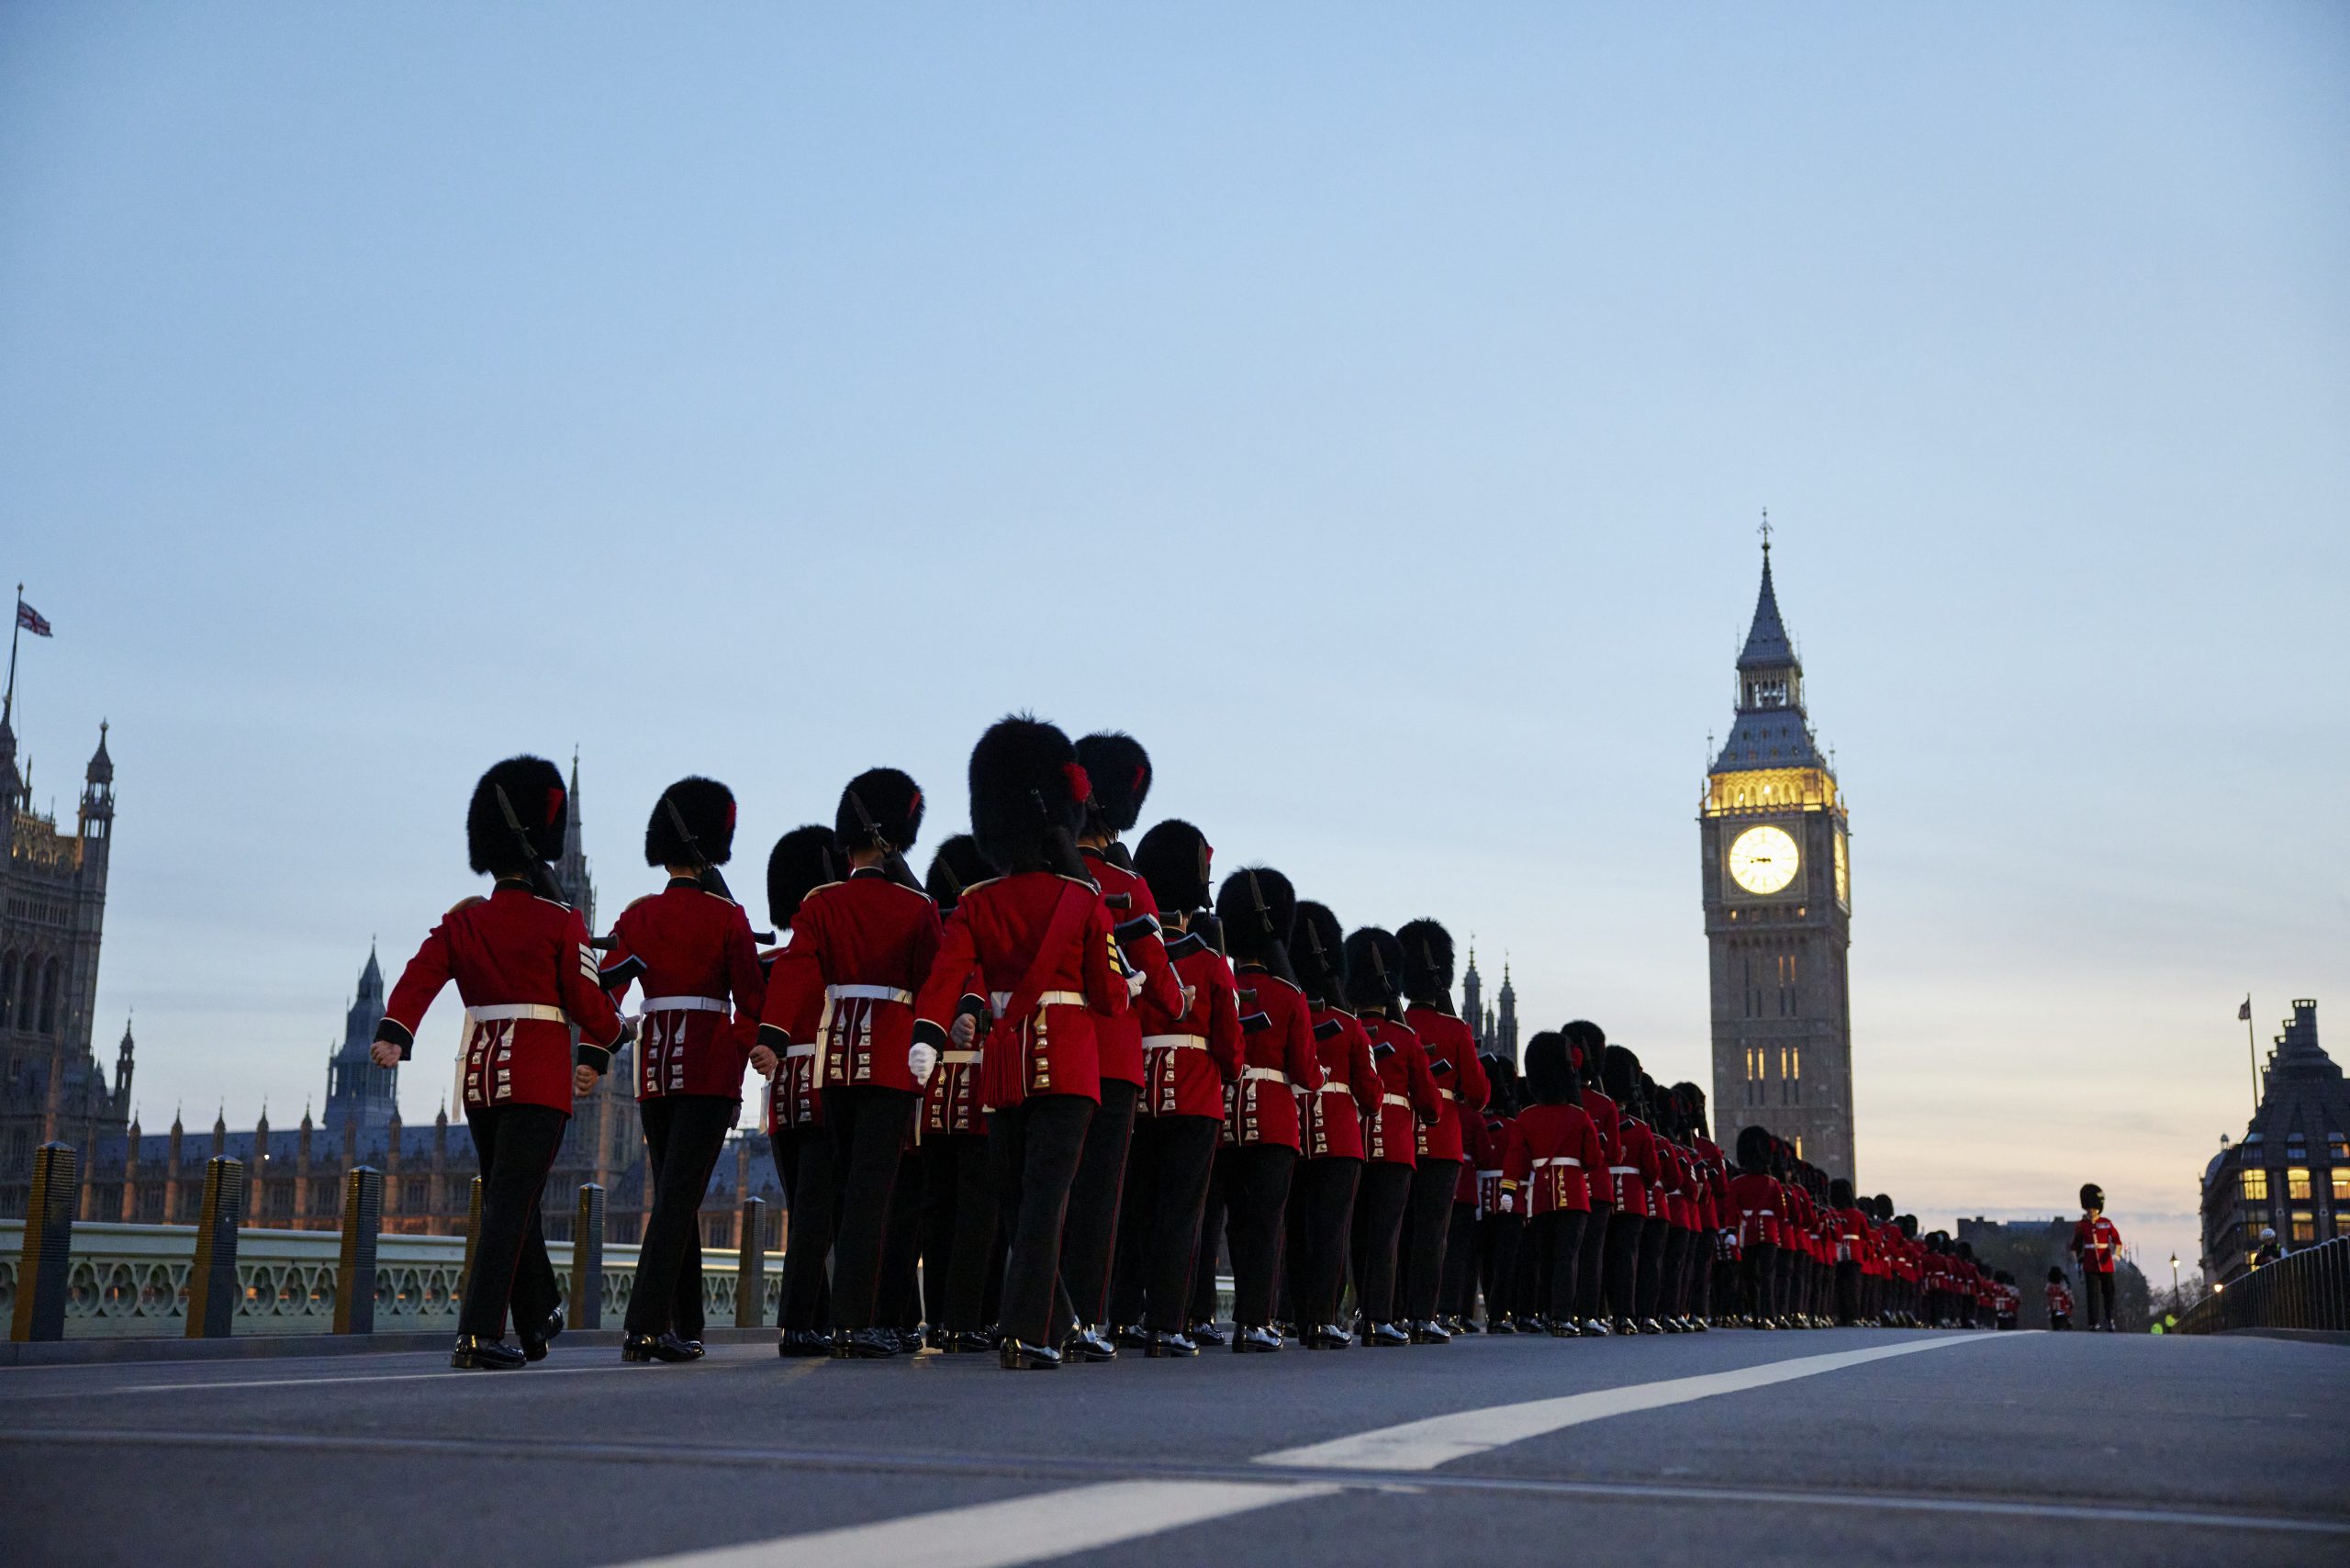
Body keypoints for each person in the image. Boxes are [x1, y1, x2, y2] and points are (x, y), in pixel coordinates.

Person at [372, 756, 626, 1371]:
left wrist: (396, 1032)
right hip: (538, 1079)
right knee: (513, 1204)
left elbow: (421, 973)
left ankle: (536, 1318)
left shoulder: (465, 923)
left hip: (481, 1079)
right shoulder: (561, 921)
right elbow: (585, 998)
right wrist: (616, 1031)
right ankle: (479, 1333)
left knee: (515, 1198)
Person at [912, 715, 1128, 1370]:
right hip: (1066, 1060)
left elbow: (948, 973)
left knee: (1018, 1202)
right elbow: (1111, 998)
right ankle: (1028, 1333)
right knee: (1044, 1202)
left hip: (1001, 1064)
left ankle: (1046, 1323)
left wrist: (926, 1033)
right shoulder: (1084, 901)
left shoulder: (978, 900)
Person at [765, 767, 942, 1360]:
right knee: (872, 1193)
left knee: (837, 1191)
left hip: (833, 1058)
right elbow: (929, 978)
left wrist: (769, 1033)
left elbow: (796, 968)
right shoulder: (916, 908)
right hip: (891, 1059)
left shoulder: (822, 902)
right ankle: (855, 1321)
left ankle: (832, 1318)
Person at [597, 777, 765, 1363]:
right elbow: (753, 1001)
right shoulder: (727, 916)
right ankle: (645, 1325)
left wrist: (610, 1041)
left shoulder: (639, 915)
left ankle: (685, 1323)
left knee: (678, 1196)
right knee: (675, 1200)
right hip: (709, 1071)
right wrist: (742, 1047)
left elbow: (606, 990)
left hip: (654, 1073)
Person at [1059, 733, 1184, 1361]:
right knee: (1098, 1198)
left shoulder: (1048, 875)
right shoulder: (1129, 887)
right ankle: (1085, 1317)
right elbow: (1165, 990)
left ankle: (1033, 1311)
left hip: (1043, 1048)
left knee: (1048, 1191)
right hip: (1109, 1055)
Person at [1107, 818, 1241, 1355]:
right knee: (1180, 1211)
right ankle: (1168, 1322)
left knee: (1134, 1208)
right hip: (1192, 1096)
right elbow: (1230, 1048)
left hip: (1136, 1092)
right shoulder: (1208, 963)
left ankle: (1121, 1316)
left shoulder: (1125, 946)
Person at [750, 825, 847, 1356]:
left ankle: (818, 1314)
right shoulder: (834, 956)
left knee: (806, 1208)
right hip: (828, 1087)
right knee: (818, 1213)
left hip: (784, 1095)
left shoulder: (776, 962)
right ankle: (798, 1321)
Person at [914, 833, 1002, 1351]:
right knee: (977, 1211)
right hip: (976, 1090)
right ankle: (965, 1316)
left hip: (935, 1093)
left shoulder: (939, 941)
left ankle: (946, 1316)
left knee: (942, 1209)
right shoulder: (979, 936)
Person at [1285, 899, 1382, 1350]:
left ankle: (1290, 1315)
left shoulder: (1287, 1006)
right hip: (1340, 1140)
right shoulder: (1349, 1025)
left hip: (1290, 1130)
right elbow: (1371, 1094)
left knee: (1292, 1229)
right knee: (1330, 1232)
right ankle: (1321, 1320)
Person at [1346, 925, 1440, 1347]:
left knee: (1356, 1230)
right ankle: (1378, 1317)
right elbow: (1431, 1103)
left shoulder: (1346, 1028)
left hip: (1350, 1139)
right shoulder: (1405, 1039)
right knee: (1386, 1233)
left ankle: (1360, 1308)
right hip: (1396, 1147)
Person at [1394, 919, 1487, 1344]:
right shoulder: (1455, 1030)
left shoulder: (1396, 1027)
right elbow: (1480, 1093)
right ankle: (1421, 1315)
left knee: (1396, 1227)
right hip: (1442, 1138)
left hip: (1396, 1134)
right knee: (1432, 1232)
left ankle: (1387, 1311)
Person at [1516, 1031, 1606, 1334]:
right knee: (1567, 1257)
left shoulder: (1526, 1117)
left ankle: (1536, 1312)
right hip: (1574, 1195)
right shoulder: (1579, 1116)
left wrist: (1508, 1192)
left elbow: (1516, 1160)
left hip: (1539, 1194)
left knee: (1540, 1257)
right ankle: (1561, 1316)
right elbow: (1593, 1159)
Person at [1563, 1022, 1619, 1335]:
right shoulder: (1605, 1105)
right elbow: (1612, 1155)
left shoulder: (1558, 1106)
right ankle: (1588, 1313)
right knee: (1592, 1254)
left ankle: (1561, 1312)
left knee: (1566, 1253)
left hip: (1562, 1185)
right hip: (1596, 1187)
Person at [2071, 1182, 2121, 1330]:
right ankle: (2093, 1322)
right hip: (2090, 1262)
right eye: (2089, 1209)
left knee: (2109, 1293)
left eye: (2093, 1209)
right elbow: (2075, 1246)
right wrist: (2077, 1262)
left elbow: (2117, 1241)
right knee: (2092, 1294)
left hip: (2106, 1262)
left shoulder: (2106, 1223)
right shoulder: (2081, 1225)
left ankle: (2109, 1319)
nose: (2091, 1212)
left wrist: (2116, 1255)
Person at [2045, 1265, 2074, 1329]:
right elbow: (2071, 1301)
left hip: (2054, 1311)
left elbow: (2048, 1296)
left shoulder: (2049, 1287)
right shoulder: (2064, 1286)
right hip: (2064, 1311)